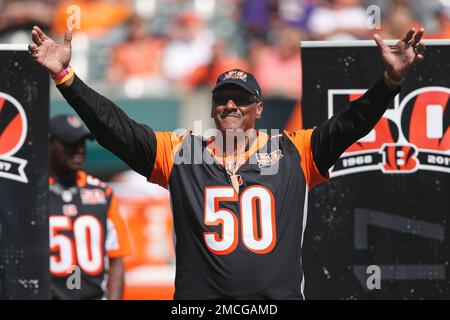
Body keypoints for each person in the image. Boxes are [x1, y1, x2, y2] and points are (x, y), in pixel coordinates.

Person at [29, 25, 425, 299]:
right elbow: (115, 128)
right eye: (222, 98)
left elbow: (349, 124)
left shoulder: (293, 150)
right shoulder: (182, 152)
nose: (230, 105)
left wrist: (388, 83)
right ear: (212, 106)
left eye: (240, 98)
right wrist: (67, 78)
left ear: (258, 108)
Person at [49, 114, 130, 300]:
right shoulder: (33, 194)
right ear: (50, 144)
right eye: (70, 143)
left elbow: (117, 258)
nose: (79, 149)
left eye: (82, 142)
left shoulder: (103, 194)